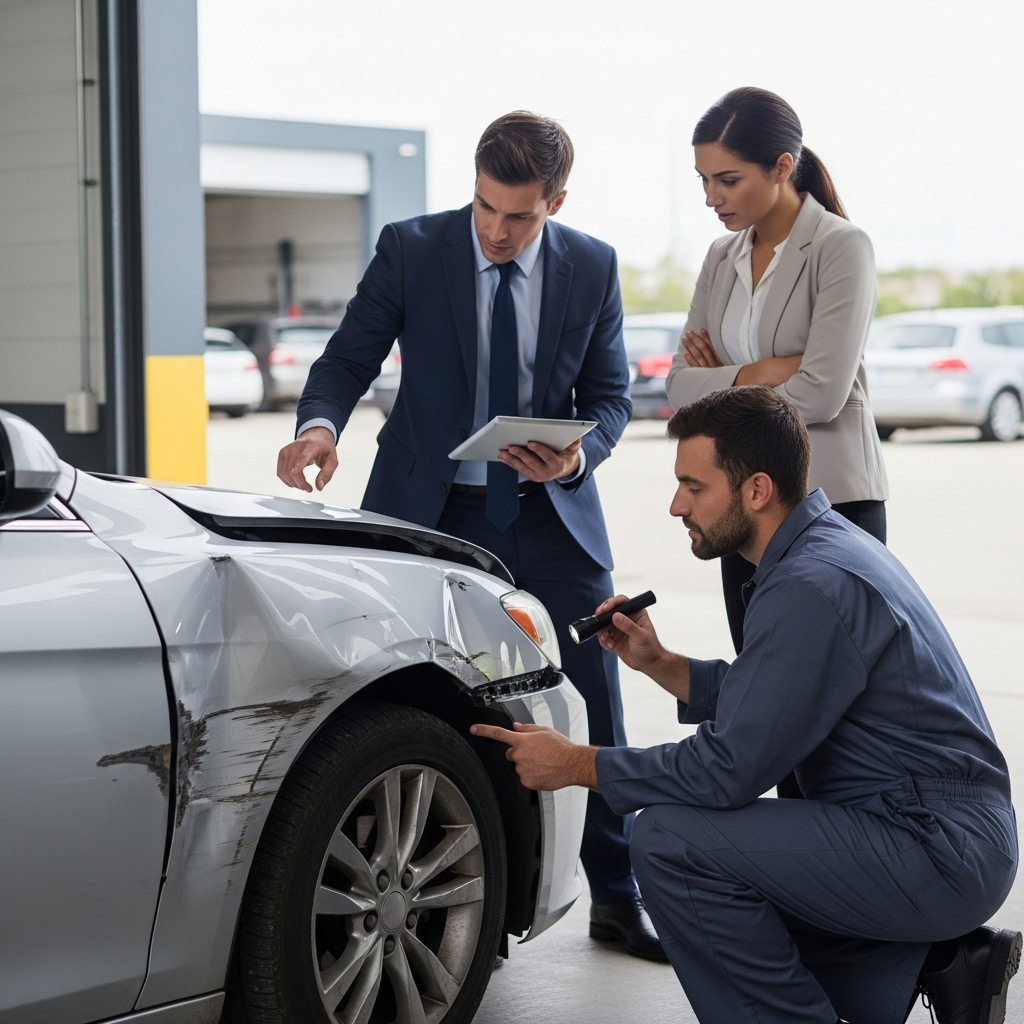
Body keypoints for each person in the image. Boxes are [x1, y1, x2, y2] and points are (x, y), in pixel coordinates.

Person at [472, 386, 1020, 1024]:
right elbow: (780, 701)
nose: (676, 505)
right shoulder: (821, 552)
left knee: (672, 842)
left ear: (757, 490)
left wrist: (578, 764)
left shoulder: (811, 585)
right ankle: (940, 967)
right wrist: (660, 662)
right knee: (729, 881)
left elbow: (728, 769)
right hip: (936, 834)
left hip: (932, 846)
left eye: (694, 487)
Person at [276, 111, 663, 960]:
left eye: (518, 216)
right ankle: (401, 881)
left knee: (594, 693)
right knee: (396, 689)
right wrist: (320, 428)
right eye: (485, 206)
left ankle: (618, 894)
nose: (495, 230)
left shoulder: (591, 266)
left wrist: (574, 459)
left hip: (547, 514)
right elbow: (348, 358)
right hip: (427, 512)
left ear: (555, 201)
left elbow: (610, 397)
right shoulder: (412, 247)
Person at [667, 87, 888, 657]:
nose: (712, 197)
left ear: (782, 167)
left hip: (831, 500)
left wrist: (722, 377)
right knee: (759, 685)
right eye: (704, 179)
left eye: (729, 179)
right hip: (745, 508)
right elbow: (679, 389)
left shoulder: (841, 247)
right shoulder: (721, 256)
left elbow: (820, 397)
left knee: (832, 689)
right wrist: (763, 370)